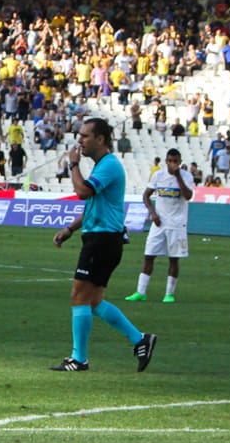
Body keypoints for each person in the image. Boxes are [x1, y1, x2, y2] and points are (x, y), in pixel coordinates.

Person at [50, 118, 155, 373]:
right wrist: (70, 229)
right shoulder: (103, 166)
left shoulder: (109, 165)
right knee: (94, 301)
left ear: (100, 139)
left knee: (78, 296)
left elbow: (83, 192)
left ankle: (79, 358)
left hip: (102, 240)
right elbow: (93, 205)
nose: (80, 140)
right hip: (103, 239)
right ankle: (140, 340)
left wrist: (73, 164)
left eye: (85, 136)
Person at [127, 147, 191, 302]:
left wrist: (178, 176)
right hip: (159, 222)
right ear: (166, 161)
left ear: (180, 162)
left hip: (177, 224)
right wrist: (152, 213)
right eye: (170, 161)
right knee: (149, 256)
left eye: (176, 161)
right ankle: (140, 292)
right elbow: (146, 195)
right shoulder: (158, 175)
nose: (173, 164)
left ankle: (169, 294)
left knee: (174, 259)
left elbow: (188, 196)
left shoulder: (186, 176)